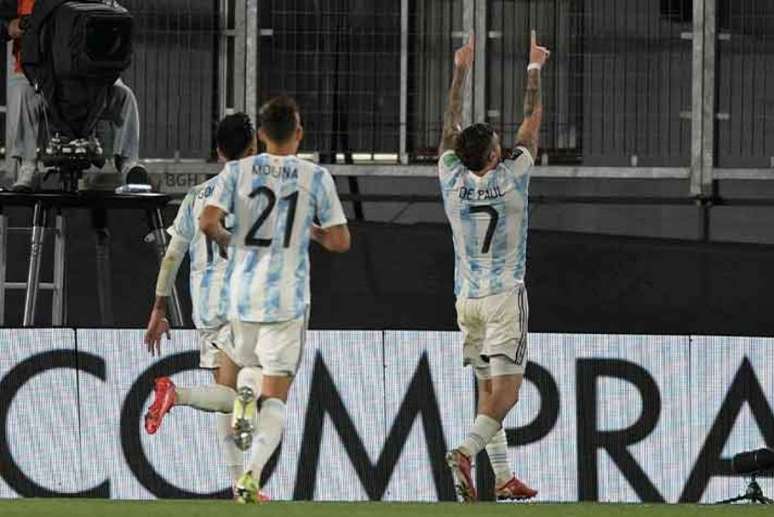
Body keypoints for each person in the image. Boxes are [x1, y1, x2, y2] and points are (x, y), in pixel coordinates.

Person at [199, 95, 350, 503]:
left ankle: (217, 405)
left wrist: (233, 243)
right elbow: (340, 241)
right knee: (277, 398)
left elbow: (207, 222)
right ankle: (251, 477)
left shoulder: (237, 171)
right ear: (299, 133)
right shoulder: (315, 177)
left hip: (242, 299)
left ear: (261, 135)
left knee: (237, 379)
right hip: (286, 301)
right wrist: (312, 231)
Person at [439, 32, 549, 502]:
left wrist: (460, 70)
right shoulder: (512, 177)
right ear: (492, 156)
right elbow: (532, 117)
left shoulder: (449, 175)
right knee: (508, 394)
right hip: (505, 295)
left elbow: (449, 126)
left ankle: (501, 478)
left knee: (486, 388)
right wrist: (534, 69)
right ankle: (465, 451)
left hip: (467, 299)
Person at [142, 113, 257, 496]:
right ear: (252, 149)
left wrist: (159, 308)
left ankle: (240, 485)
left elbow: (172, 255)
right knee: (251, 398)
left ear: (219, 151)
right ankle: (177, 394)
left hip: (205, 309)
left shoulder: (196, 196)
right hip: (242, 304)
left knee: (230, 398)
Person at [0, 0, 148, 191]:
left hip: (90, 76)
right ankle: (27, 166)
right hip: (39, 73)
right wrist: (9, 26)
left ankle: (129, 165)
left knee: (124, 96)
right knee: (21, 94)